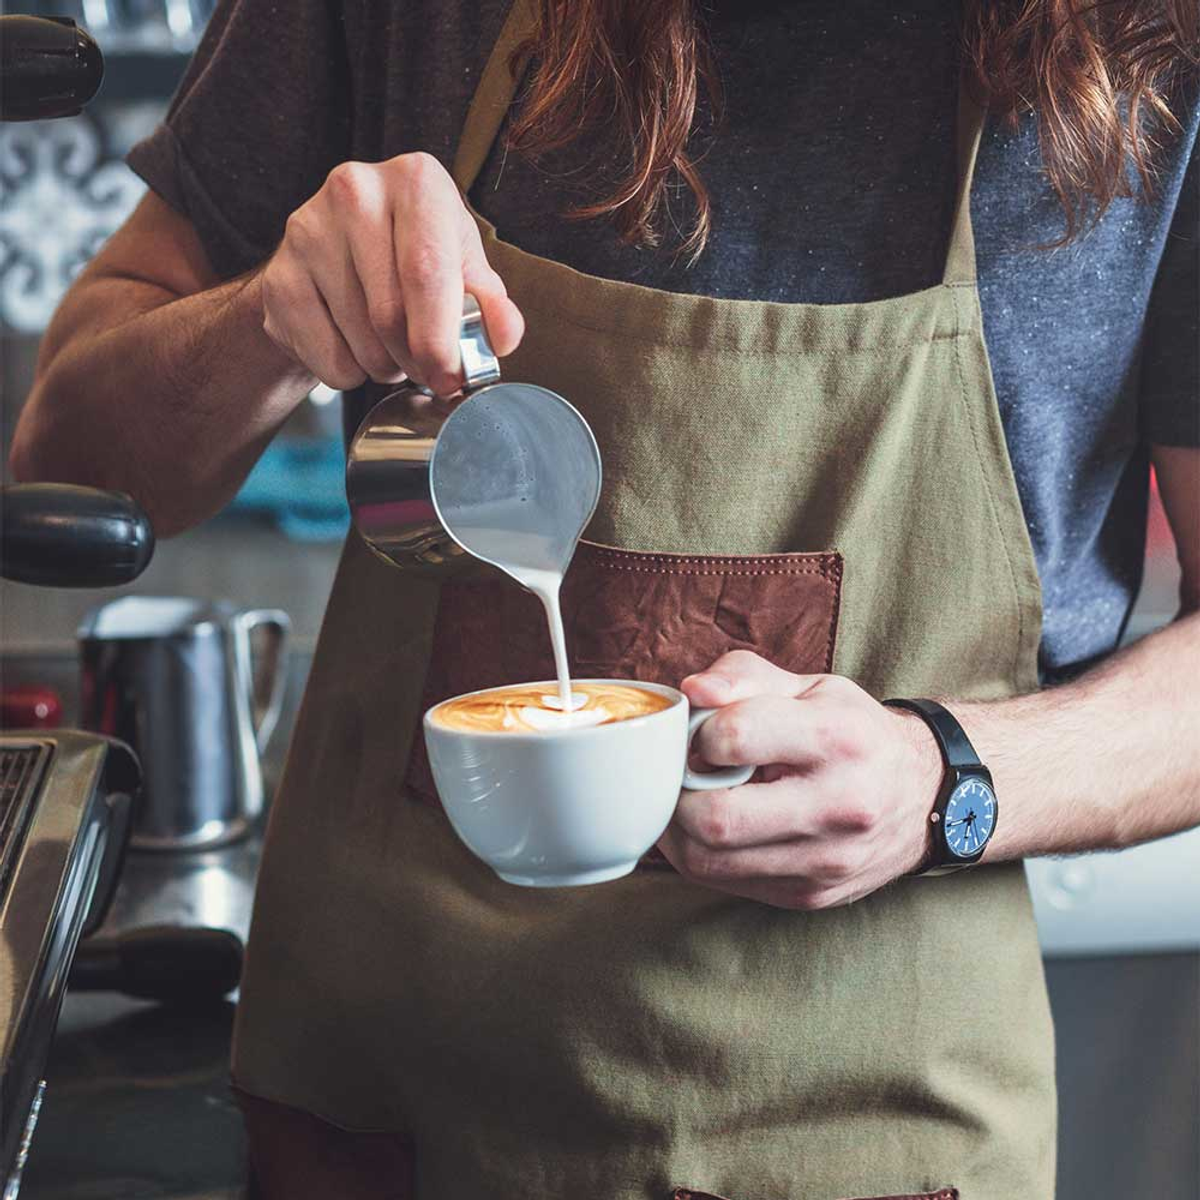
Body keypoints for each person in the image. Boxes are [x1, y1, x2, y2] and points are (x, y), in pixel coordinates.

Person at [11, 1, 1199, 1196]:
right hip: (377, 1121)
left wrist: (946, 778)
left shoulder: (1158, 48)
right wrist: (273, 317)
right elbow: (71, 461)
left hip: (871, 1136)